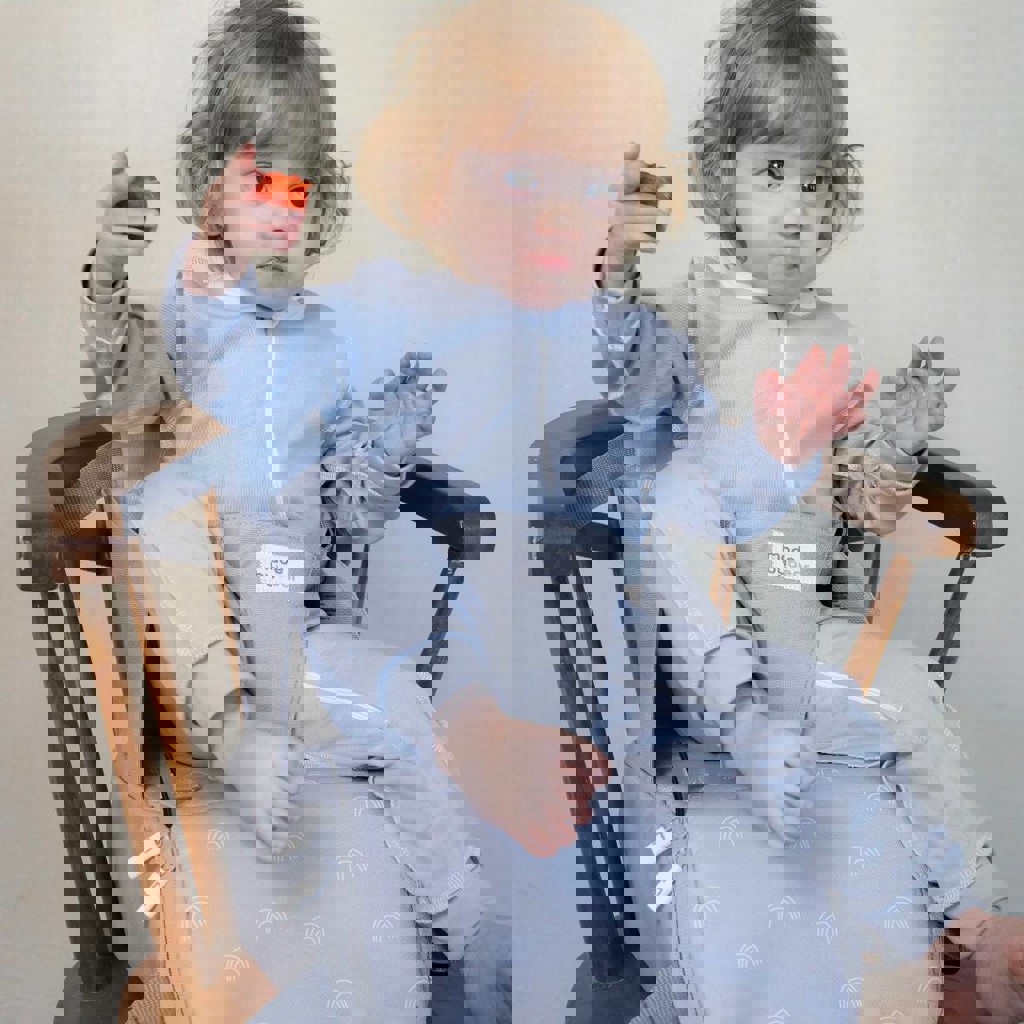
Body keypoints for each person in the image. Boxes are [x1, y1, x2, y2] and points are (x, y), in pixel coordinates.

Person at [538, 0, 1021, 1020]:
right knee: (671, 492)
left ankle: (973, 913)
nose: (796, 207)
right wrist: (617, 262)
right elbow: (627, 370)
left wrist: (884, 459)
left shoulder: (831, 328)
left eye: (814, 181)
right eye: (771, 173)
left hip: (804, 631)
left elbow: (847, 499)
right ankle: (746, 728)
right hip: (713, 636)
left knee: (910, 697)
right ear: (723, 181)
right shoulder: (703, 299)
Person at [65, 2, 481, 1020]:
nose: (282, 209)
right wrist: (110, 275)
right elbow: (121, 390)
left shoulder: (319, 340)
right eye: (257, 181)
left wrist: (388, 441)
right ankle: (244, 737)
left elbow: (346, 517)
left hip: (298, 630)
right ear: (210, 178)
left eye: (299, 187)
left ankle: (455, 914)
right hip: (209, 630)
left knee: (399, 705)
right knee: (170, 495)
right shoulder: (186, 313)